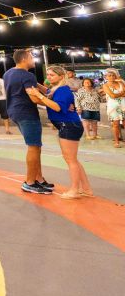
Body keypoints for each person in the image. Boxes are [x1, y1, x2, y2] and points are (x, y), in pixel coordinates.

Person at [27, 66, 93, 199]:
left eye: (52, 75)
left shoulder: (63, 90)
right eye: (48, 75)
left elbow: (57, 107)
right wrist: (35, 83)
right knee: (73, 159)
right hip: (67, 125)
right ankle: (86, 189)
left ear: (61, 77)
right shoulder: (55, 89)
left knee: (70, 160)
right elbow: (48, 93)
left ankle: (75, 190)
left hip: (69, 125)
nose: (49, 77)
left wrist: (38, 94)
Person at [4, 49, 54, 194]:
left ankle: (38, 178)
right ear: (25, 59)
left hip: (14, 111)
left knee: (36, 146)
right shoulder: (28, 75)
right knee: (33, 146)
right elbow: (33, 97)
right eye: (31, 57)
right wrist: (55, 104)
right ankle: (30, 182)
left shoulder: (9, 73)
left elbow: (30, 84)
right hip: (26, 112)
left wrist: (46, 90)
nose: (34, 59)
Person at [102, 68, 125, 148]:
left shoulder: (121, 83)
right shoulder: (105, 85)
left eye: (113, 75)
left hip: (123, 105)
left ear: (116, 76)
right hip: (113, 107)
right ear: (106, 77)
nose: (111, 77)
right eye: (109, 75)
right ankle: (116, 141)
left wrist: (116, 95)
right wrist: (121, 94)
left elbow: (115, 95)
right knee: (115, 124)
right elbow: (112, 96)